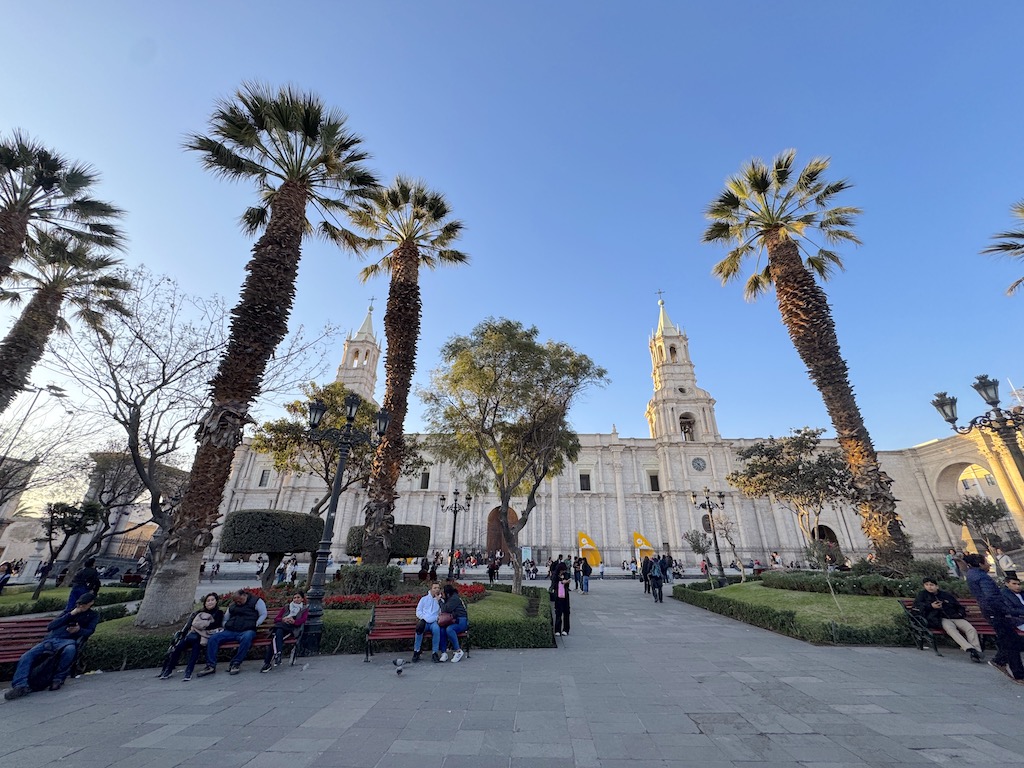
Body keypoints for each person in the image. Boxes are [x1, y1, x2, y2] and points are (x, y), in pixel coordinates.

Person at [5, 592, 99, 699]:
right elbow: (51, 626)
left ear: (91, 603)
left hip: (68, 641)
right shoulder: (69, 611)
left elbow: (89, 631)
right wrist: (70, 614)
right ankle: (20, 685)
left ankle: (58, 679)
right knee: (26, 656)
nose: (81, 606)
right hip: (51, 640)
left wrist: (78, 630)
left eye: (84, 604)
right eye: (79, 604)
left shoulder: (93, 615)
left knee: (70, 650)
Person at [964, 553, 1024, 683]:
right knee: (1011, 642)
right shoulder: (982, 577)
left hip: (991, 611)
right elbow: (991, 597)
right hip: (996, 613)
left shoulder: (972, 574)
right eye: (986, 562)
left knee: (1011, 640)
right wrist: (1006, 610)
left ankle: (999, 660)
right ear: (980, 564)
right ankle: (1018, 675)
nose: (989, 564)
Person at [197, 589, 268, 676]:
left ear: (244, 596)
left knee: (247, 638)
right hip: (231, 630)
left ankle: (236, 663)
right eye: (236, 601)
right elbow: (226, 617)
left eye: (239, 601)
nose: (238, 603)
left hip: (247, 630)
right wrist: (225, 624)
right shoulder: (233, 605)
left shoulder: (256, 601)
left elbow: (263, 613)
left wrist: (256, 623)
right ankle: (210, 665)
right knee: (213, 638)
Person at [913, 578, 982, 662]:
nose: (929, 587)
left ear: (937, 586)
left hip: (955, 617)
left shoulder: (946, 595)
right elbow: (918, 607)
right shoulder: (922, 595)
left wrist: (959, 614)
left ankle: (977, 652)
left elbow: (958, 606)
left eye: (931, 585)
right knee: (951, 630)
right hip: (940, 618)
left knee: (970, 629)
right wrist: (931, 606)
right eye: (926, 585)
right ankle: (970, 649)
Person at [160, 593, 224, 681]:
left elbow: (215, 625)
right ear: (205, 603)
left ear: (216, 601)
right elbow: (190, 625)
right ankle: (168, 670)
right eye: (208, 601)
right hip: (192, 635)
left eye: (212, 600)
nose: (210, 602)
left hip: (203, 638)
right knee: (178, 647)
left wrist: (198, 626)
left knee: (196, 649)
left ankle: (188, 672)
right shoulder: (198, 613)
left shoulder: (219, 613)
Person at [261, 591, 308, 672]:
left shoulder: (304, 609)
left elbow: (303, 620)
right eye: (294, 598)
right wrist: (283, 619)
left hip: (291, 629)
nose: (296, 599)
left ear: (302, 599)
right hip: (282, 626)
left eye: (298, 597)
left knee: (275, 635)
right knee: (277, 634)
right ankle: (277, 655)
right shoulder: (287, 607)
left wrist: (294, 621)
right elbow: (277, 619)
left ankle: (269, 661)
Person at [412, 581, 443, 663]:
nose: (436, 590)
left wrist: (438, 601)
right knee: (419, 630)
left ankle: (435, 652)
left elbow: (441, 613)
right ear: (431, 589)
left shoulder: (440, 601)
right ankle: (416, 651)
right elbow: (418, 611)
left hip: (434, 622)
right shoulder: (424, 599)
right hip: (424, 621)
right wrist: (423, 618)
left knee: (436, 630)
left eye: (438, 588)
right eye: (434, 588)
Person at [437, 583, 468, 663]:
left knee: (450, 629)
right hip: (454, 620)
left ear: (447, 593)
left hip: (461, 621)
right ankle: (444, 652)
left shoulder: (454, 599)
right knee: (442, 629)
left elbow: (445, 609)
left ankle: (458, 651)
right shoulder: (452, 597)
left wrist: (439, 600)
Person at [553, 566, 571, 636]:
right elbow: (554, 585)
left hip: (565, 597)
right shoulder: (555, 576)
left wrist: (566, 582)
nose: (563, 572)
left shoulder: (566, 575)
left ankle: (566, 629)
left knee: (566, 613)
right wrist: (561, 582)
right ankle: (557, 630)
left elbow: (568, 584)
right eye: (562, 570)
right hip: (558, 597)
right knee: (558, 613)